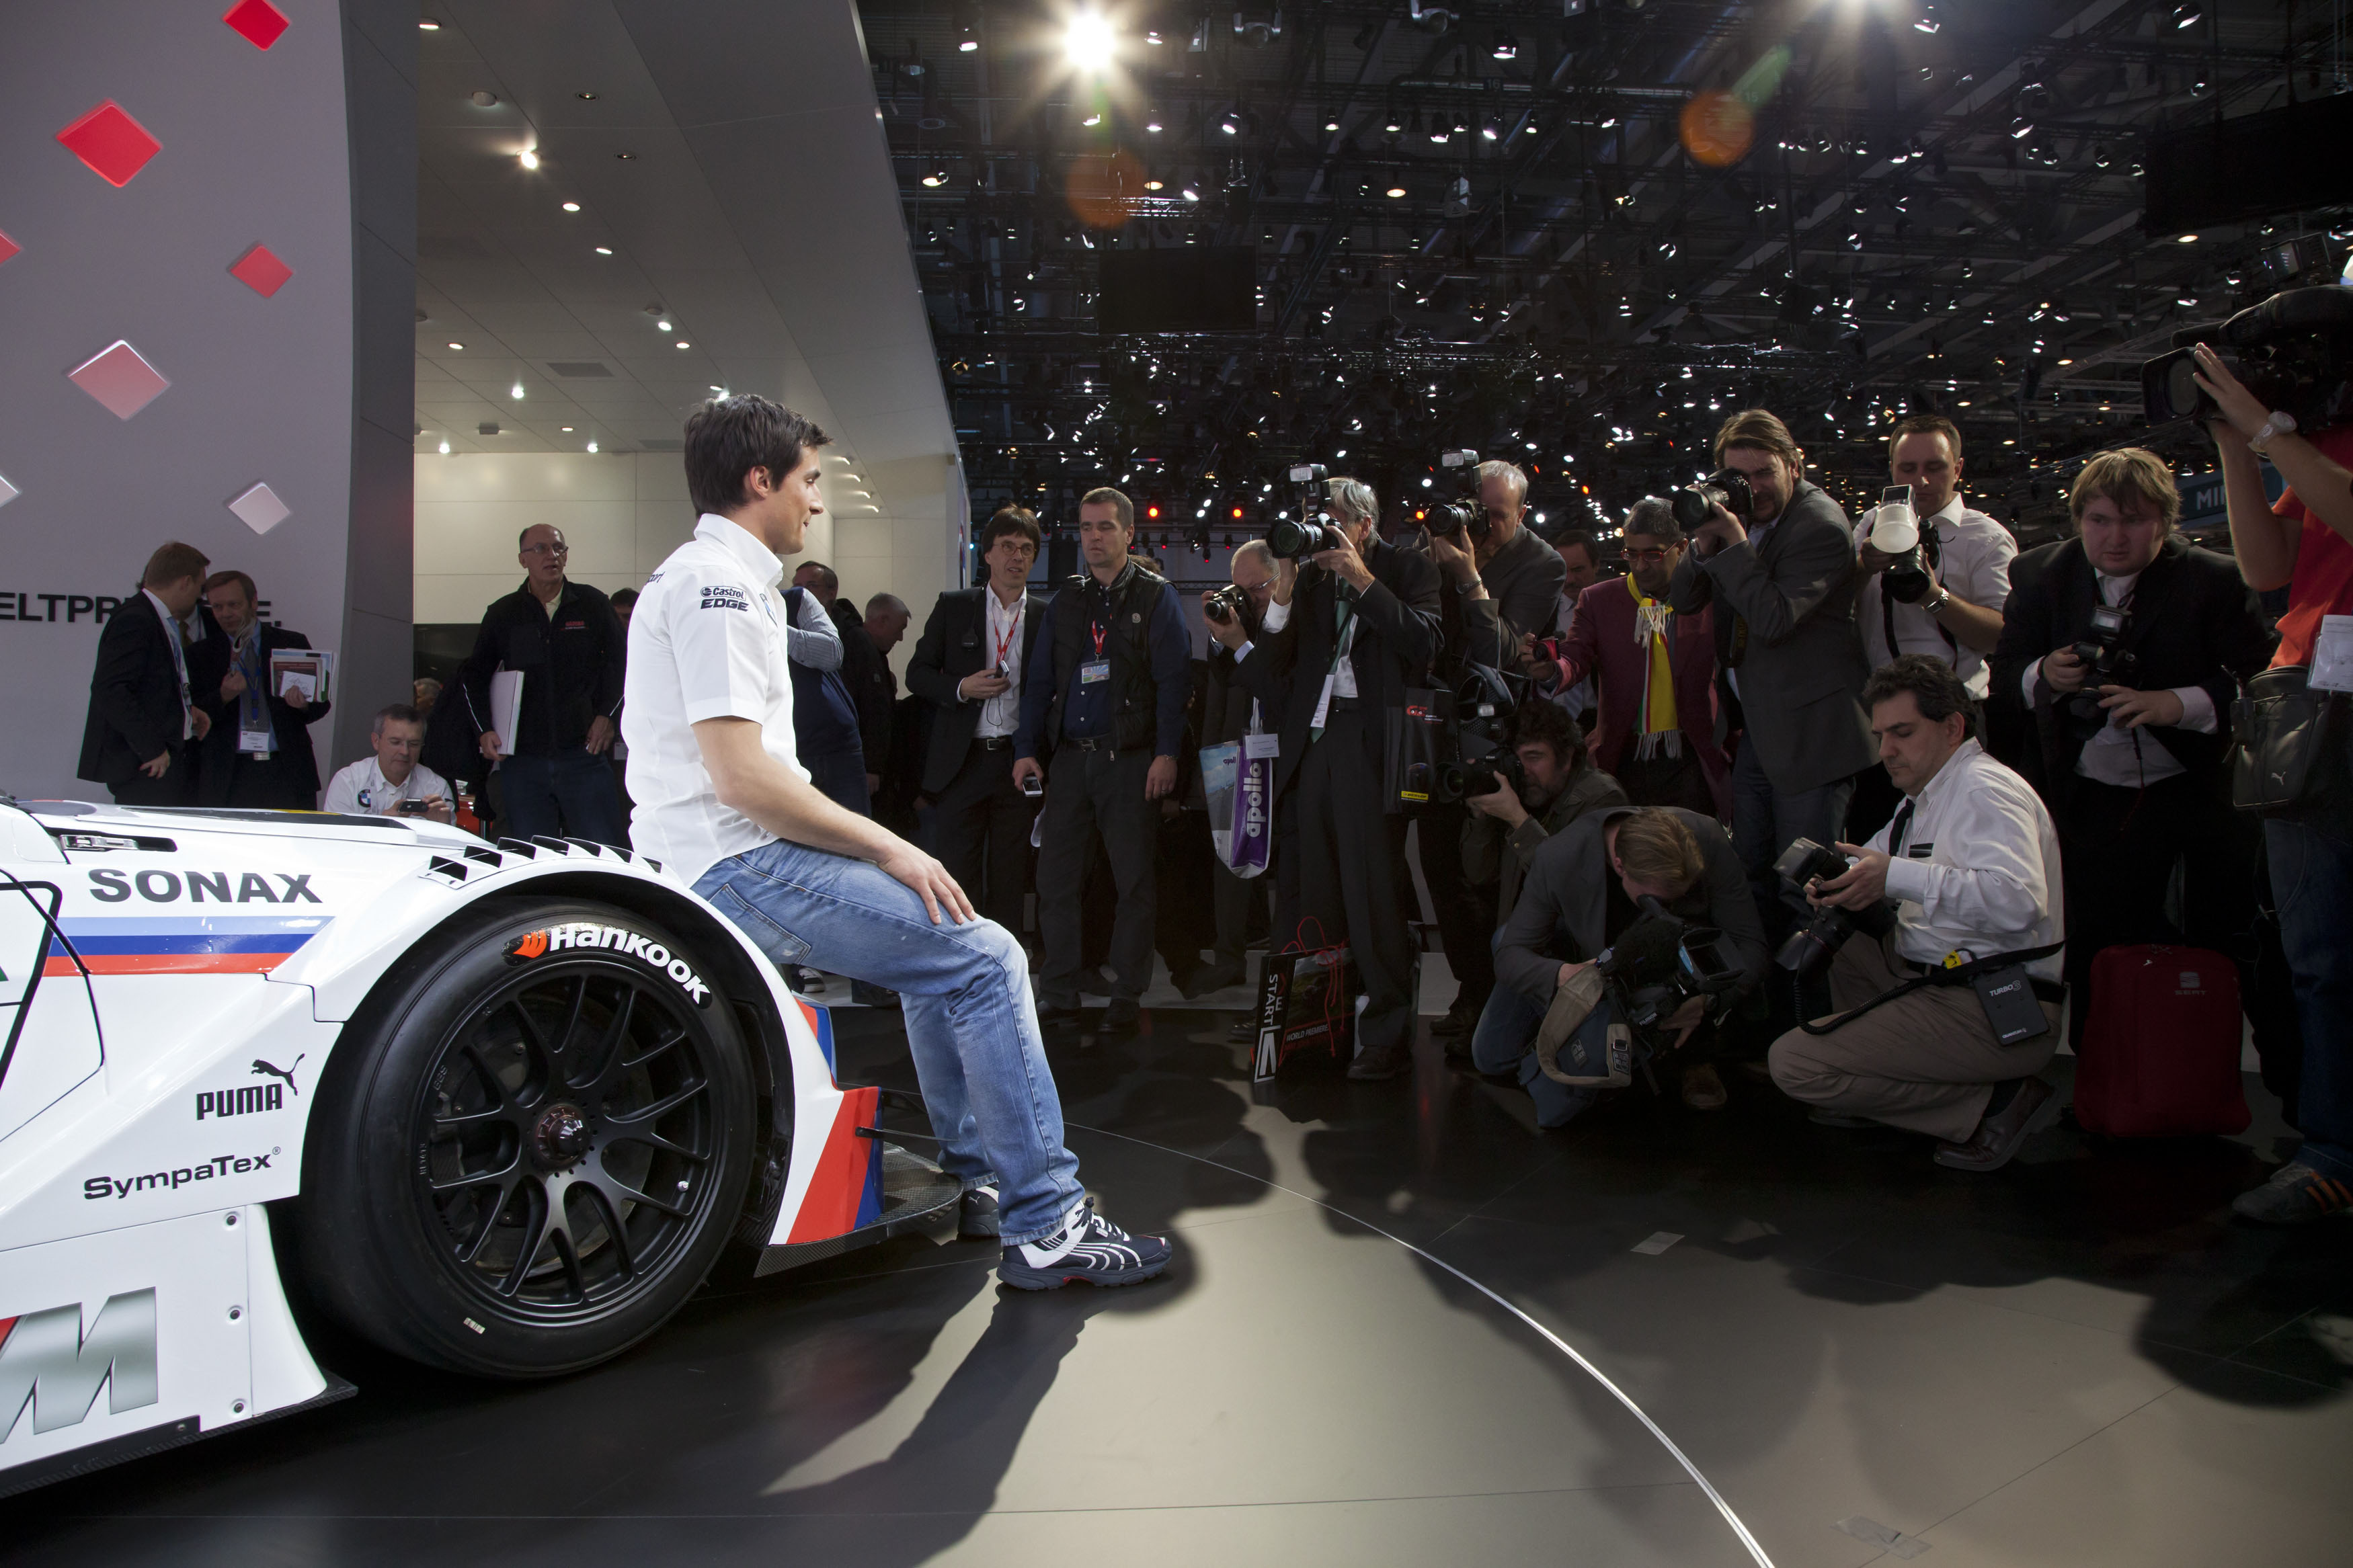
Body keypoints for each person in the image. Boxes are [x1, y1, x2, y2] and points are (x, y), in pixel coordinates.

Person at [626, 393, 1168, 1289]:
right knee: (989, 957)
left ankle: (979, 1178)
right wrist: (887, 846)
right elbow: (742, 779)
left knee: (939, 942)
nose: (815, 501)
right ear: (759, 480)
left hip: (732, 852)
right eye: (807, 481)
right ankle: (1047, 1222)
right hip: (735, 863)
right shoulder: (716, 587)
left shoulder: (719, 580)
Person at [1989, 449, 2277, 1052]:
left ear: (2165, 523)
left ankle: (2235, 1075)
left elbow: (2262, 680)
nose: (2115, 537)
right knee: (2096, 942)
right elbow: (2006, 674)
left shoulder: (2215, 578)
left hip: (2199, 785)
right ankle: (2100, 1078)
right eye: (2099, 520)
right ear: (2078, 520)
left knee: (2229, 937)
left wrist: (2180, 703)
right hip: (2086, 792)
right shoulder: (2040, 574)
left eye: (2134, 520)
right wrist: (2044, 674)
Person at [1767, 657, 2067, 1171]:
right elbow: (1872, 863)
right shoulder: (1922, 799)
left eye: (1902, 733)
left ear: (1952, 727)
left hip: (1999, 1003)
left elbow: (2018, 901)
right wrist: (1837, 883)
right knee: (1841, 935)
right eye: (1881, 735)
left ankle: (1995, 1105)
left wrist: (1895, 877)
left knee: (1793, 1063)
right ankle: (1886, 1084)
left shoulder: (1984, 790)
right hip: (1945, 979)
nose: (1886, 750)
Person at [1212, 477, 1443, 1079]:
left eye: (1334, 519)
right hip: (1312, 741)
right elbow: (1278, 663)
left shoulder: (1408, 566)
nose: (1322, 531)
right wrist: (1285, 590)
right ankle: (1315, 1023)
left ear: (1364, 524)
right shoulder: (1310, 578)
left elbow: (1425, 642)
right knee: (1311, 891)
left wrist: (1362, 580)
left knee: (1372, 892)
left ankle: (1386, 1033)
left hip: (1371, 740)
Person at [2196, 343, 2353, 1224]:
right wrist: (2232, 445)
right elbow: (2267, 566)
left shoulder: (2307, 441)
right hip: (2306, 699)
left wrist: (2265, 431)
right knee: (2319, 952)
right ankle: (2334, 1150)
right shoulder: (2326, 435)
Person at [1669, 409, 1874, 934]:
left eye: (1765, 473)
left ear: (1794, 466)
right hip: (1762, 727)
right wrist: (1705, 542)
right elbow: (1683, 600)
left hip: (1812, 736)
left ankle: (1810, 989)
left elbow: (1774, 620)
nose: (1753, 488)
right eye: (1740, 476)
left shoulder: (1820, 526)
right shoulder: (1740, 517)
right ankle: (1760, 984)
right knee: (1750, 874)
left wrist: (1734, 541)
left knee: (1805, 887)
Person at [1012, 488, 1191, 1042]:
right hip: (1070, 760)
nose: (1094, 536)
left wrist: (1167, 753)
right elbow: (1038, 681)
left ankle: (1126, 994)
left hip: (1129, 761)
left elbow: (1174, 682)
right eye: (1086, 527)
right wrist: (1025, 748)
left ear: (1128, 533)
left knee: (1133, 882)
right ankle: (1059, 992)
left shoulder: (1156, 596)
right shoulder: (1067, 600)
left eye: (1106, 527)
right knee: (1055, 882)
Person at [1484, 807, 1766, 1126]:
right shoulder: (1559, 857)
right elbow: (1509, 955)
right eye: (1661, 900)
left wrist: (1709, 1001)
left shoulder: (1706, 837)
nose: (1671, 907)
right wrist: (1567, 975)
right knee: (1491, 1057)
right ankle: (1576, 1034)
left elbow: (1751, 946)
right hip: (1596, 968)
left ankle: (1691, 1057)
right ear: (1620, 866)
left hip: (1677, 974)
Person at [1850, 415, 2016, 838]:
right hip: (1879, 720)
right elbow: (1832, 610)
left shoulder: (1986, 538)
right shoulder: (1869, 526)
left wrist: (1933, 596)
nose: (1920, 480)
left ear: (1957, 468)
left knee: (1957, 840)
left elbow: (2002, 634)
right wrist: (1862, 566)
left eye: (1935, 467)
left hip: (1955, 716)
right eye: (1908, 468)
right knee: (1877, 842)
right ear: (1892, 469)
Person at [905, 507, 1047, 943]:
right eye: (1007, 546)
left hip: (1017, 762)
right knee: (957, 870)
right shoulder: (955, 607)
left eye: (1026, 549)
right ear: (987, 553)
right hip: (962, 761)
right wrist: (961, 687)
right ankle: (960, 956)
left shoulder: (1046, 615)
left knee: (1010, 872)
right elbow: (916, 674)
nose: (1016, 557)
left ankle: (1003, 960)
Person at [1535, 498, 1729, 817]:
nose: (1640, 566)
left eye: (1653, 555)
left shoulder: (1710, 598)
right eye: (1631, 554)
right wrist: (1551, 671)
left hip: (1695, 754)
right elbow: (1575, 656)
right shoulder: (1599, 600)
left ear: (1682, 547)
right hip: (1622, 754)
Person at [456, 524, 627, 846]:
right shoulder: (504, 613)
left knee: (603, 848)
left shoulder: (592, 604)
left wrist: (607, 716)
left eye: (559, 548)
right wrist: (485, 729)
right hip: (523, 760)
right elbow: (474, 676)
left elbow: (622, 664)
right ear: (523, 559)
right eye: (540, 549)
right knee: (533, 850)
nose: (552, 555)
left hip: (584, 753)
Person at [1189, 538, 1281, 1005]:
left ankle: (1286, 964)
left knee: (1288, 862)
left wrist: (1242, 641)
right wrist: (1219, 635)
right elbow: (1220, 677)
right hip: (1236, 748)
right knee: (1230, 856)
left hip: (1285, 754)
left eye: (1257, 588)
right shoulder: (1237, 622)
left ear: (1280, 579)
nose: (1249, 598)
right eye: (1239, 589)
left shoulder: (1293, 618)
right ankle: (1229, 959)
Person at [78, 541, 214, 806]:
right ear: (186, 582)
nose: (199, 598)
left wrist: (185, 712)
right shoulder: (137, 618)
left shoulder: (155, 617)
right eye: (200, 588)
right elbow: (111, 689)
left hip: (161, 758)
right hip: (148, 764)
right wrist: (151, 748)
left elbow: (152, 686)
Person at [190, 570, 331, 809]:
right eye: (217, 607)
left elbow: (321, 704)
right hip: (228, 776)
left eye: (234, 605)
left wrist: (303, 705)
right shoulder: (201, 654)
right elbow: (193, 715)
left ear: (254, 602)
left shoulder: (290, 642)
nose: (225, 613)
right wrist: (223, 696)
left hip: (286, 770)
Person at [779, 573, 868, 815]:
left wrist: (770, 628)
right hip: (783, 752)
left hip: (834, 746)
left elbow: (832, 653)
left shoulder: (796, 600)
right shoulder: (723, 619)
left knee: (853, 833)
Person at [323, 704, 453, 821]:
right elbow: (335, 835)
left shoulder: (437, 788)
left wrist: (443, 827)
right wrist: (382, 825)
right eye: (396, 742)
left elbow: (449, 839)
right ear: (376, 741)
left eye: (414, 744)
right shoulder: (348, 781)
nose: (405, 752)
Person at [1536, 528, 1601, 726]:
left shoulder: (1613, 611)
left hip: (1601, 719)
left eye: (1578, 570)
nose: (1571, 580)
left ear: (1596, 566)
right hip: (1551, 720)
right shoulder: (1542, 613)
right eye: (1564, 570)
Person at [860, 593, 912, 796]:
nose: (900, 638)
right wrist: (871, 766)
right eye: (900, 629)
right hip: (867, 769)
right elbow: (871, 713)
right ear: (883, 620)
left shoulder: (875, 655)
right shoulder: (861, 653)